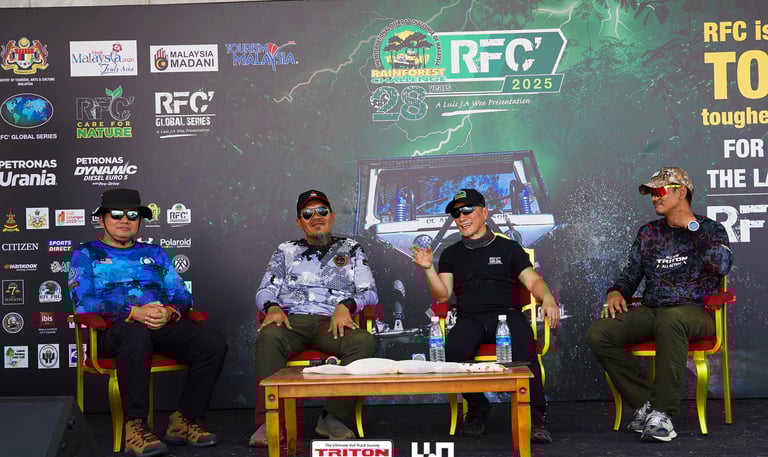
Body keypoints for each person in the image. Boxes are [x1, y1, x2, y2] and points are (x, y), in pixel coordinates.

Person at [69, 188, 228, 457]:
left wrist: (170, 311)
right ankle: (136, 427)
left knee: (212, 343)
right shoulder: (86, 254)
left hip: (159, 325)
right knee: (135, 335)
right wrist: (133, 312)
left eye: (133, 215)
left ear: (140, 220)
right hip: (114, 331)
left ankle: (184, 420)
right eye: (116, 214)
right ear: (102, 219)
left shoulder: (154, 252)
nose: (125, 220)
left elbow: (182, 294)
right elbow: (84, 302)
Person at [585, 167, 733, 442]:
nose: (654, 197)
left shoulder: (711, 229)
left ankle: (663, 415)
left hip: (695, 312)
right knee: (599, 333)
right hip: (653, 310)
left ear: (681, 192)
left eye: (660, 191)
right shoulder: (648, 233)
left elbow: (721, 266)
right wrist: (616, 291)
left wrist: (693, 228)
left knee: (671, 319)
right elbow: (631, 273)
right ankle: (646, 404)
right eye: (651, 193)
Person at [411, 188, 560, 443]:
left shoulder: (509, 247)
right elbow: (443, 296)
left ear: (484, 212)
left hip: (507, 316)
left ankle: (536, 419)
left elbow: (533, 281)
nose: (461, 217)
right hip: (470, 318)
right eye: (456, 214)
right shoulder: (450, 254)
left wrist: (547, 297)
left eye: (467, 210)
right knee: (454, 351)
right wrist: (428, 269)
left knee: (525, 349)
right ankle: (478, 406)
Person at [250, 190, 378, 447]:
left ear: (332, 216)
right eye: (308, 213)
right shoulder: (286, 250)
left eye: (322, 211)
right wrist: (272, 307)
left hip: (332, 322)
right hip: (292, 321)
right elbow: (264, 290)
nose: (316, 217)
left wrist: (346, 305)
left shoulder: (351, 248)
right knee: (269, 336)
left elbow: (370, 292)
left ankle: (333, 418)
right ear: (299, 222)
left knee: (364, 342)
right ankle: (270, 421)